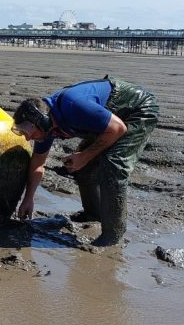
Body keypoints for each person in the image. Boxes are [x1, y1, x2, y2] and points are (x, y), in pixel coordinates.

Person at [12, 76, 158, 246]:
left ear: (42, 121)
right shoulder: (46, 129)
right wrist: (28, 199)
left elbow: (118, 128)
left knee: (113, 165)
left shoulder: (73, 105)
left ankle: (112, 235)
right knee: (83, 166)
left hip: (136, 108)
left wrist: (84, 156)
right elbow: (37, 165)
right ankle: (93, 215)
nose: (28, 138)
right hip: (107, 121)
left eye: (29, 131)